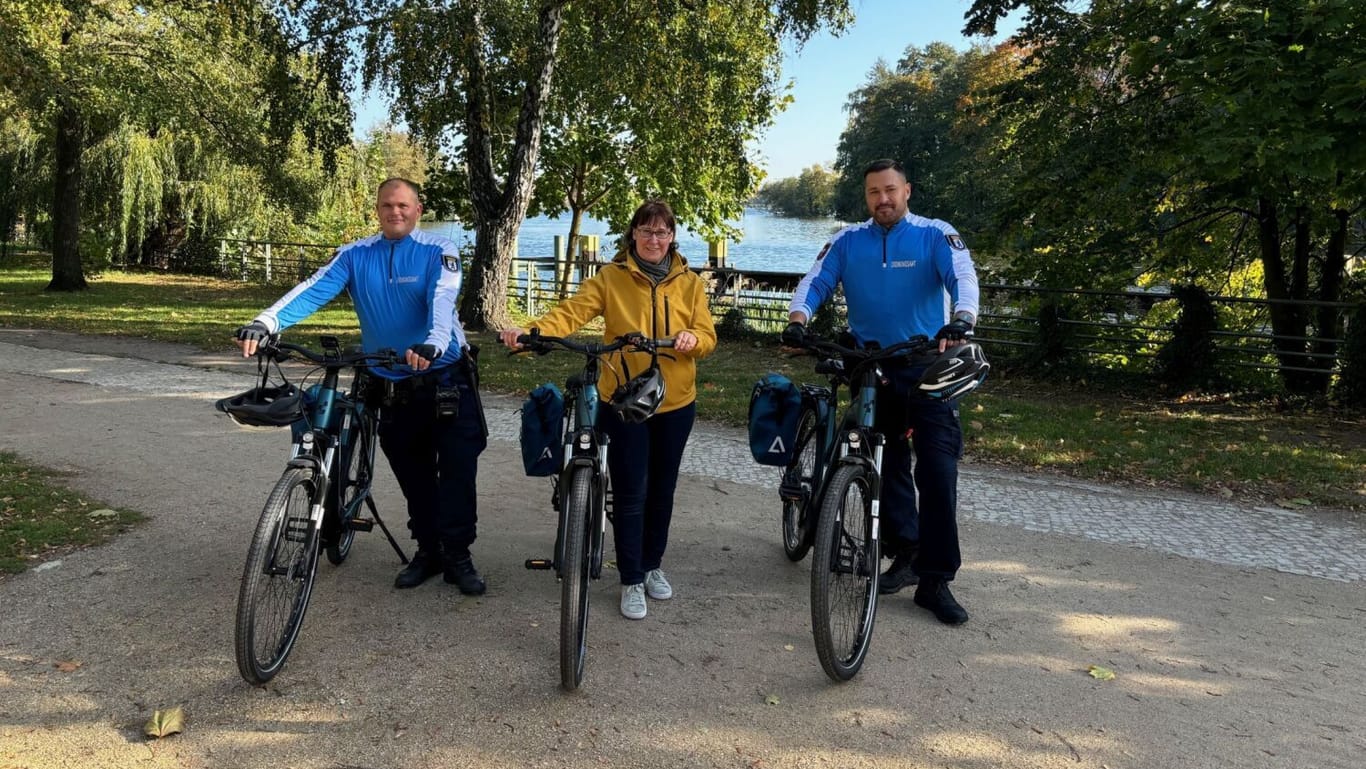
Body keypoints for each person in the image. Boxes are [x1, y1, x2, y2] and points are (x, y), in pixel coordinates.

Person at [234, 177, 489, 595]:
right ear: (377, 209)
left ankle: (459, 556)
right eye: (388, 205)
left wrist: (433, 342)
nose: (396, 212)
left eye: (404, 205)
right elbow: (313, 289)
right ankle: (428, 551)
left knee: (458, 472)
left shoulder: (438, 250)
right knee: (414, 474)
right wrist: (266, 322)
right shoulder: (356, 255)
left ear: (418, 210)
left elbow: (443, 300)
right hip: (391, 384)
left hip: (445, 379)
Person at [782, 158, 980, 625]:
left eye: (890, 190)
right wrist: (798, 319)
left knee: (937, 468)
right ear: (866, 196)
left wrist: (963, 319)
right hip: (871, 364)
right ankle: (906, 552)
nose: (883, 200)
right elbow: (816, 281)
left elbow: (963, 278)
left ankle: (935, 580)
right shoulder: (849, 240)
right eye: (874, 192)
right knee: (884, 461)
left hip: (926, 362)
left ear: (907, 191)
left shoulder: (934, 234)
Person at [499, 200, 716, 620]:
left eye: (662, 232)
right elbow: (572, 312)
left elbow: (707, 334)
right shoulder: (610, 278)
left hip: (675, 401)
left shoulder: (689, 283)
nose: (654, 240)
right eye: (646, 231)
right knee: (632, 491)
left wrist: (693, 338)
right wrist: (531, 335)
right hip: (622, 400)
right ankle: (632, 577)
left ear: (672, 237)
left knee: (662, 490)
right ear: (633, 234)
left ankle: (653, 565)